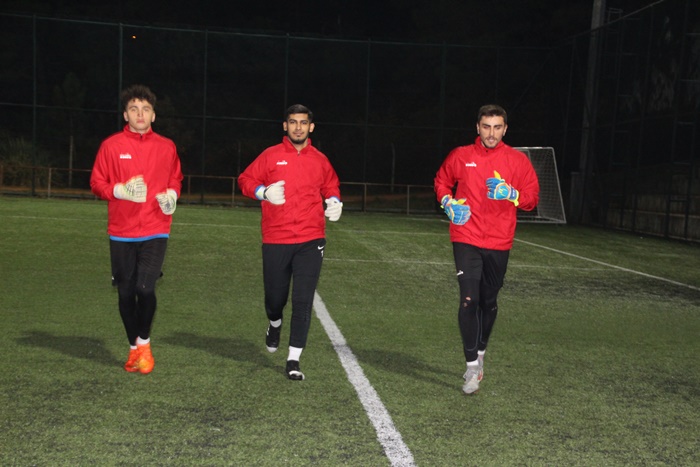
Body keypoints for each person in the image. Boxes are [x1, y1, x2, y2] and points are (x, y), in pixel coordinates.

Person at [434, 104, 539, 395]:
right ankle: (471, 367)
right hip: (465, 236)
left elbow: (532, 198)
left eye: (497, 127)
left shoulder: (517, 161)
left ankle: (480, 352)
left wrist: (512, 194)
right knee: (469, 300)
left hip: (499, 241)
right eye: (486, 127)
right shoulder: (461, 155)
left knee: (488, 302)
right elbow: (442, 181)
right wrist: (447, 203)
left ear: (505, 129)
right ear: (477, 128)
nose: (491, 133)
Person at [238, 104, 342, 381]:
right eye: (293, 122)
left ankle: (293, 359)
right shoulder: (270, 155)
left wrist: (335, 200)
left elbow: (331, 185)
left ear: (311, 127)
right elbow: (245, 179)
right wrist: (262, 192)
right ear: (285, 126)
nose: (298, 127)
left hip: (311, 239)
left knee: (303, 300)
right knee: (275, 299)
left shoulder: (320, 160)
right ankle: (274, 323)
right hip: (276, 238)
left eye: (303, 122)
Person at [90, 84, 183, 375]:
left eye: (145, 109)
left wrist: (172, 195)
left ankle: (144, 343)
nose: (140, 114)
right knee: (125, 293)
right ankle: (134, 349)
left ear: (153, 115)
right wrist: (119, 190)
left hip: (156, 228)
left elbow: (176, 178)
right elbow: (97, 183)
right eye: (134, 109)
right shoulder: (111, 146)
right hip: (121, 230)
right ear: (125, 114)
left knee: (145, 287)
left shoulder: (167, 146)